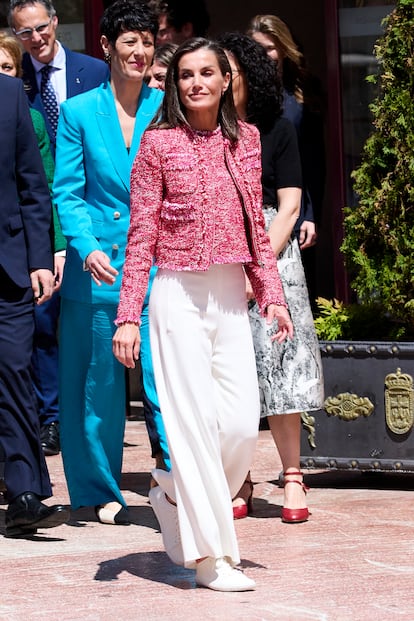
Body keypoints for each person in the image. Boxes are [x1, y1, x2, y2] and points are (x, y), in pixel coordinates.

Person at [113, 37, 292, 591]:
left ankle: (171, 492)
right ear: (176, 83)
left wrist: (273, 295)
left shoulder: (248, 140)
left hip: (230, 292)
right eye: (186, 74)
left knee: (239, 425)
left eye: (206, 73)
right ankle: (213, 558)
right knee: (191, 427)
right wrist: (127, 315)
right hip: (177, 297)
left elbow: (256, 230)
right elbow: (141, 234)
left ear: (225, 80)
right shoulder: (158, 143)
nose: (195, 83)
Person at [52, 0, 163, 524]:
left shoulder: (167, 107)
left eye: (147, 41)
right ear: (107, 46)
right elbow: (68, 192)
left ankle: (181, 481)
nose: (140, 52)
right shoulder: (77, 112)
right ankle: (100, 492)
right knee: (95, 386)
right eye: (130, 41)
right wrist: (87, 245)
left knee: (166, 381)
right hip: (97, 267)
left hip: (159, 265)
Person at [218, 33, 324, 522]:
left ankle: (293, 477)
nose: (218, 80)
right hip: (217, 254)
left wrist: (258, 268)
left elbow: (290, 206)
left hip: (272, 256)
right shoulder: (203, 134)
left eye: (228, 71)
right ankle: (239, 477)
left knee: (282, 365)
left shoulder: (278, 128)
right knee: (231, 371)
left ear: (247, 77)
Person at [8, 0, 110, 457]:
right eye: (24, 32)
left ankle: (95, 415)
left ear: (55, 23)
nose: (35, 38)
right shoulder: (15, 82)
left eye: (41, 28)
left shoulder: (94, 70)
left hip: (96, 208)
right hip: (41, 209)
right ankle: (51, 416)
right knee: (44, 320)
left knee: (96, 319)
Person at [0, 73, 69, 538]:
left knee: (14, 370)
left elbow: (32, 184)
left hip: (8, 268)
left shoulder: (8, 95)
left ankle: (25, 494)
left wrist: (40, 258)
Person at [247, 14, 326, 302]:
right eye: (257, 48)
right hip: (257, 197)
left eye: (270, 47)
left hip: (295, 199)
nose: (265, 55)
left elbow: (315, 163)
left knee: (296, 280)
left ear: (283, 49)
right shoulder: (244, 96)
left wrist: (310, 214)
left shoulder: (301, 99)